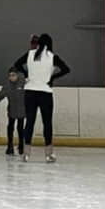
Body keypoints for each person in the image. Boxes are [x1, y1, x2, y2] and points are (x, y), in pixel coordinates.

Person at [13, 34, 70, 163]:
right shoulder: (52, 57)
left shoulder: (30, 54)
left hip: (30, 92)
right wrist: (53, 78)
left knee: (30, 123)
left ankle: (26, 154)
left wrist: (27, 73)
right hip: (45, 92)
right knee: (47, 123)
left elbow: (16, 64)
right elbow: (66, 69)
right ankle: (48, 154)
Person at [0, 68, 28, 157]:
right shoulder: (7, 86)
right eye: (10, 75)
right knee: (10, 127)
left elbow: (31, 94)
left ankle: (21, 145)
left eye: (13, 75)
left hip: (22, 110)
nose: (11, 77)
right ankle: (10, 146)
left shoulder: (23, 83)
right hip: (12, 110)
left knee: (20, 128)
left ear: (17, 75)